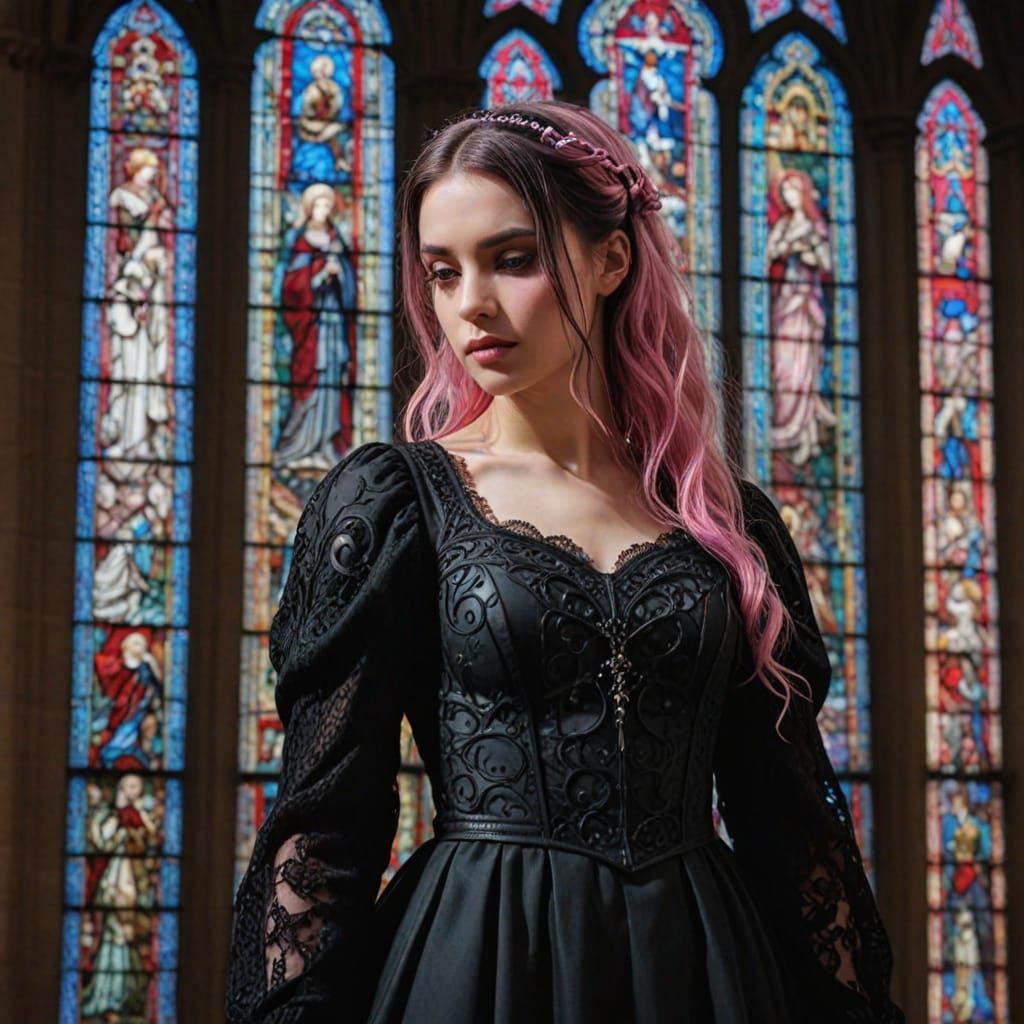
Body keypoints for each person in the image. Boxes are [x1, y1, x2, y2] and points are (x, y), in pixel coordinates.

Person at [226, 100, 902, 1023]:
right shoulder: (394, 506)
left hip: (704, 970)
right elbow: (324, 824)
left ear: (612, 259)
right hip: (483, 961)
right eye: (442, 271)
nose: (472, 304)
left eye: (512, 259)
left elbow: (790, 820)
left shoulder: (723, 521)